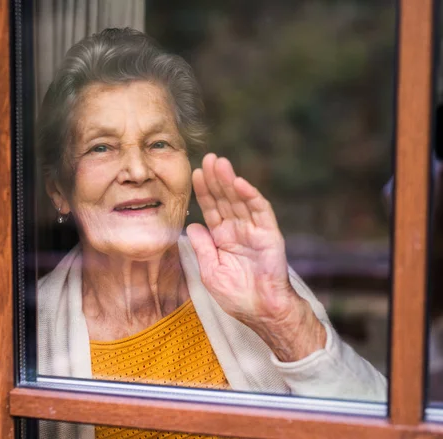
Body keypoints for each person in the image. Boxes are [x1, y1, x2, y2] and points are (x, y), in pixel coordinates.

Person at [36, 27, 386, 438]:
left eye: (159, 143)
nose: (137, 170)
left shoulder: (241, 277)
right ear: (60, 191)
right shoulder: (30, 330)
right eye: (102, 147)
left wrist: (283, 321)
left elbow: (380, 426)